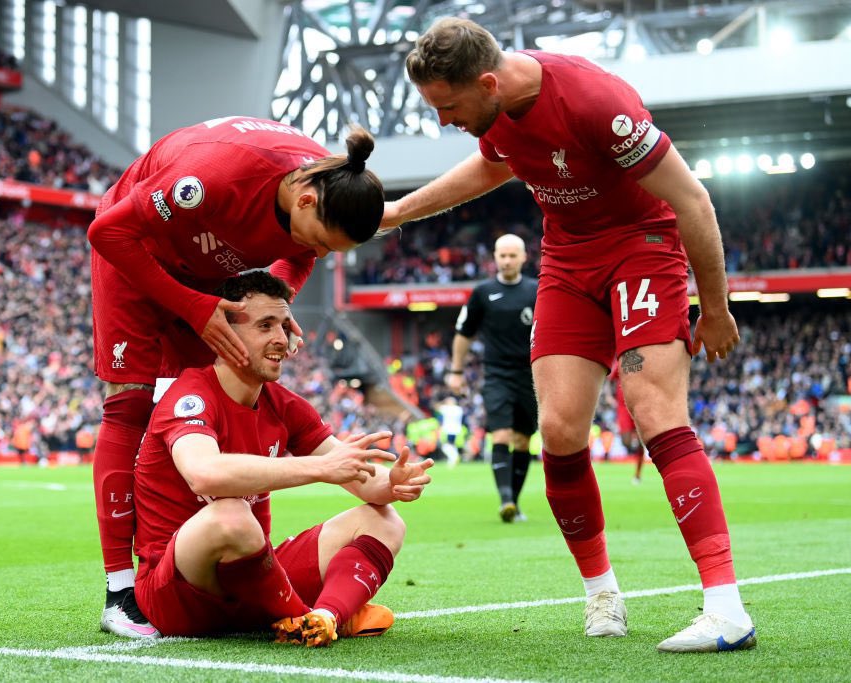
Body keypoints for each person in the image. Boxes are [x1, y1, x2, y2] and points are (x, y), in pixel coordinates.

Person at [382, 17, 755, 653]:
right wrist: (395, 212)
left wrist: (713, 307)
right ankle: (602, 594)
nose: (443, 121)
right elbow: (487, 169)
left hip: (642, 246)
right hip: (565, 259)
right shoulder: (493, 112)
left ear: (489, 82)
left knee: (654, 409)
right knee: (556, 430)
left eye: (447, 107)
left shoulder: (592, 101)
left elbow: (692, 199)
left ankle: (726, 608)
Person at [87, 116, 386, 638]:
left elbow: (297, 256)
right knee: (129, 407)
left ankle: (210, 559)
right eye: (321, 242)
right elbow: (107, 230)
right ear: (307, 201)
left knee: (219, 388)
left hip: (209, 272)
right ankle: (120, 593)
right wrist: (193, 306)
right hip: (136, 249)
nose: (317, 255)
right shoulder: (213, 178)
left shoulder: (328, 181)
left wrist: (279, 300)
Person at [132, 270, 434, 645]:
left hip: (254, 581)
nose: (282, 339)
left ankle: (324, 618)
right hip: (180, 594)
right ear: (223, 334)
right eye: (265, 325)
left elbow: (363, 479)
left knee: (385, 522)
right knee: (231, 515)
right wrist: (320, 468)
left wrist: (392, 484)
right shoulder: (190, 396)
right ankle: (299, 615)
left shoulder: (285, 405)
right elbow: (204, 474)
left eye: (283, 326)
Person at [446, 234, 537, 523]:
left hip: (530, 376)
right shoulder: (483, 292)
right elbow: (464, 333)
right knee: (501, 435)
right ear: (494, 257)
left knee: (523, 441)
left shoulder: (537, 291)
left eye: (512, 255)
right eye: (502, 255)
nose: (507, 260)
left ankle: (515, 501)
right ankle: (506, 500)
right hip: (497, 374)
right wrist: (457, 370)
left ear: (523, 257)